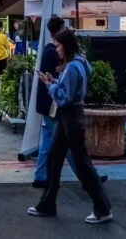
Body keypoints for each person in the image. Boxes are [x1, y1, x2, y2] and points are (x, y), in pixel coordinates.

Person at [28, 27, 112, 225]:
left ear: (66, 46)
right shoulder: (78, 62)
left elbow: (64, 97)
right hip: (69, 117)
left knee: (81, 163)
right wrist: (55, 81)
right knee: (54, 158)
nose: (56, 50)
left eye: (58, 46)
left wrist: (49, 85)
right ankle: (47, 205)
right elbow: (70, 88)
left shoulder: (73, 66)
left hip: (71, 117)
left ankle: (102, 208)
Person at [32, 15, 75, 188]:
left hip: (46, 104)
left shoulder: (48, 50)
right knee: (65, 144)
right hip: (52, 105)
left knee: (49, 142)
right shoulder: (54, 52)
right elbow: (56, 78)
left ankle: (41, 176)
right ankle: (87, 175)